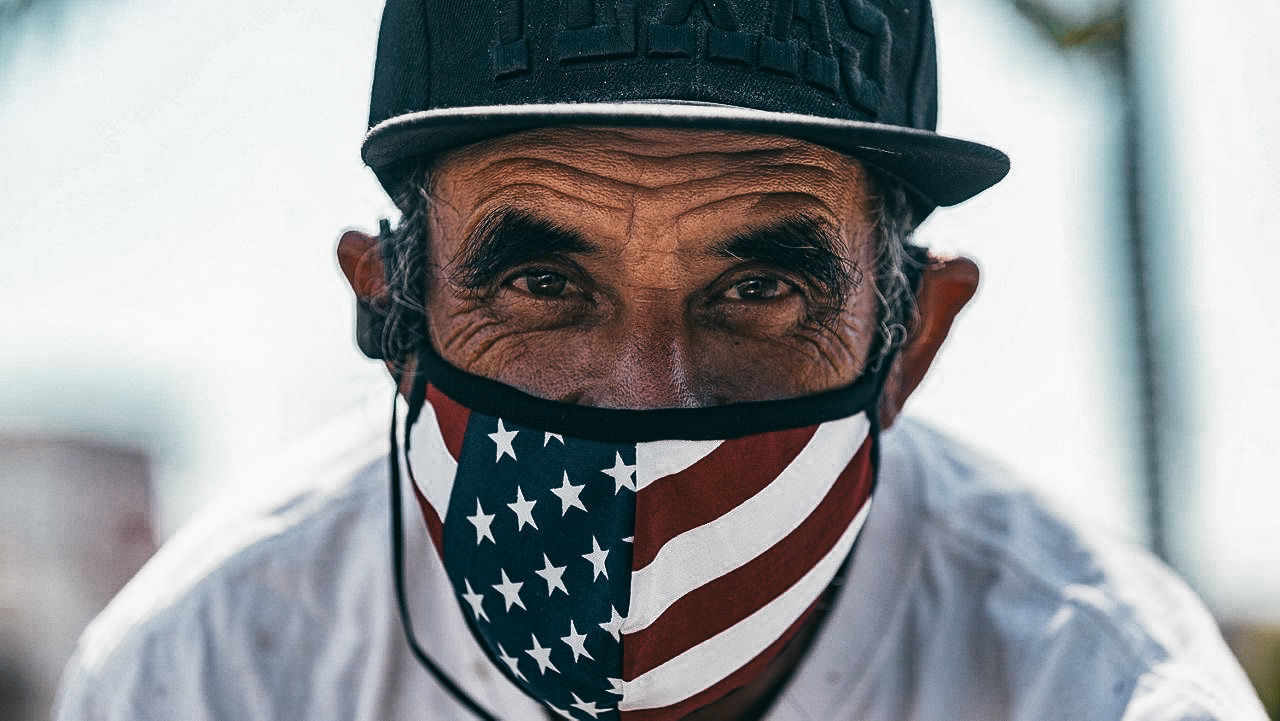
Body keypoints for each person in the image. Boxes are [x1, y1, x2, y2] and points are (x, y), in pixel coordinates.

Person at [55, 0, 1268, 719]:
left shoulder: (1100, 690)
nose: (648, 398)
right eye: (543, 284)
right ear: (392, 314)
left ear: (912, 343)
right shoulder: (215, 669)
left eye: (756, 290)